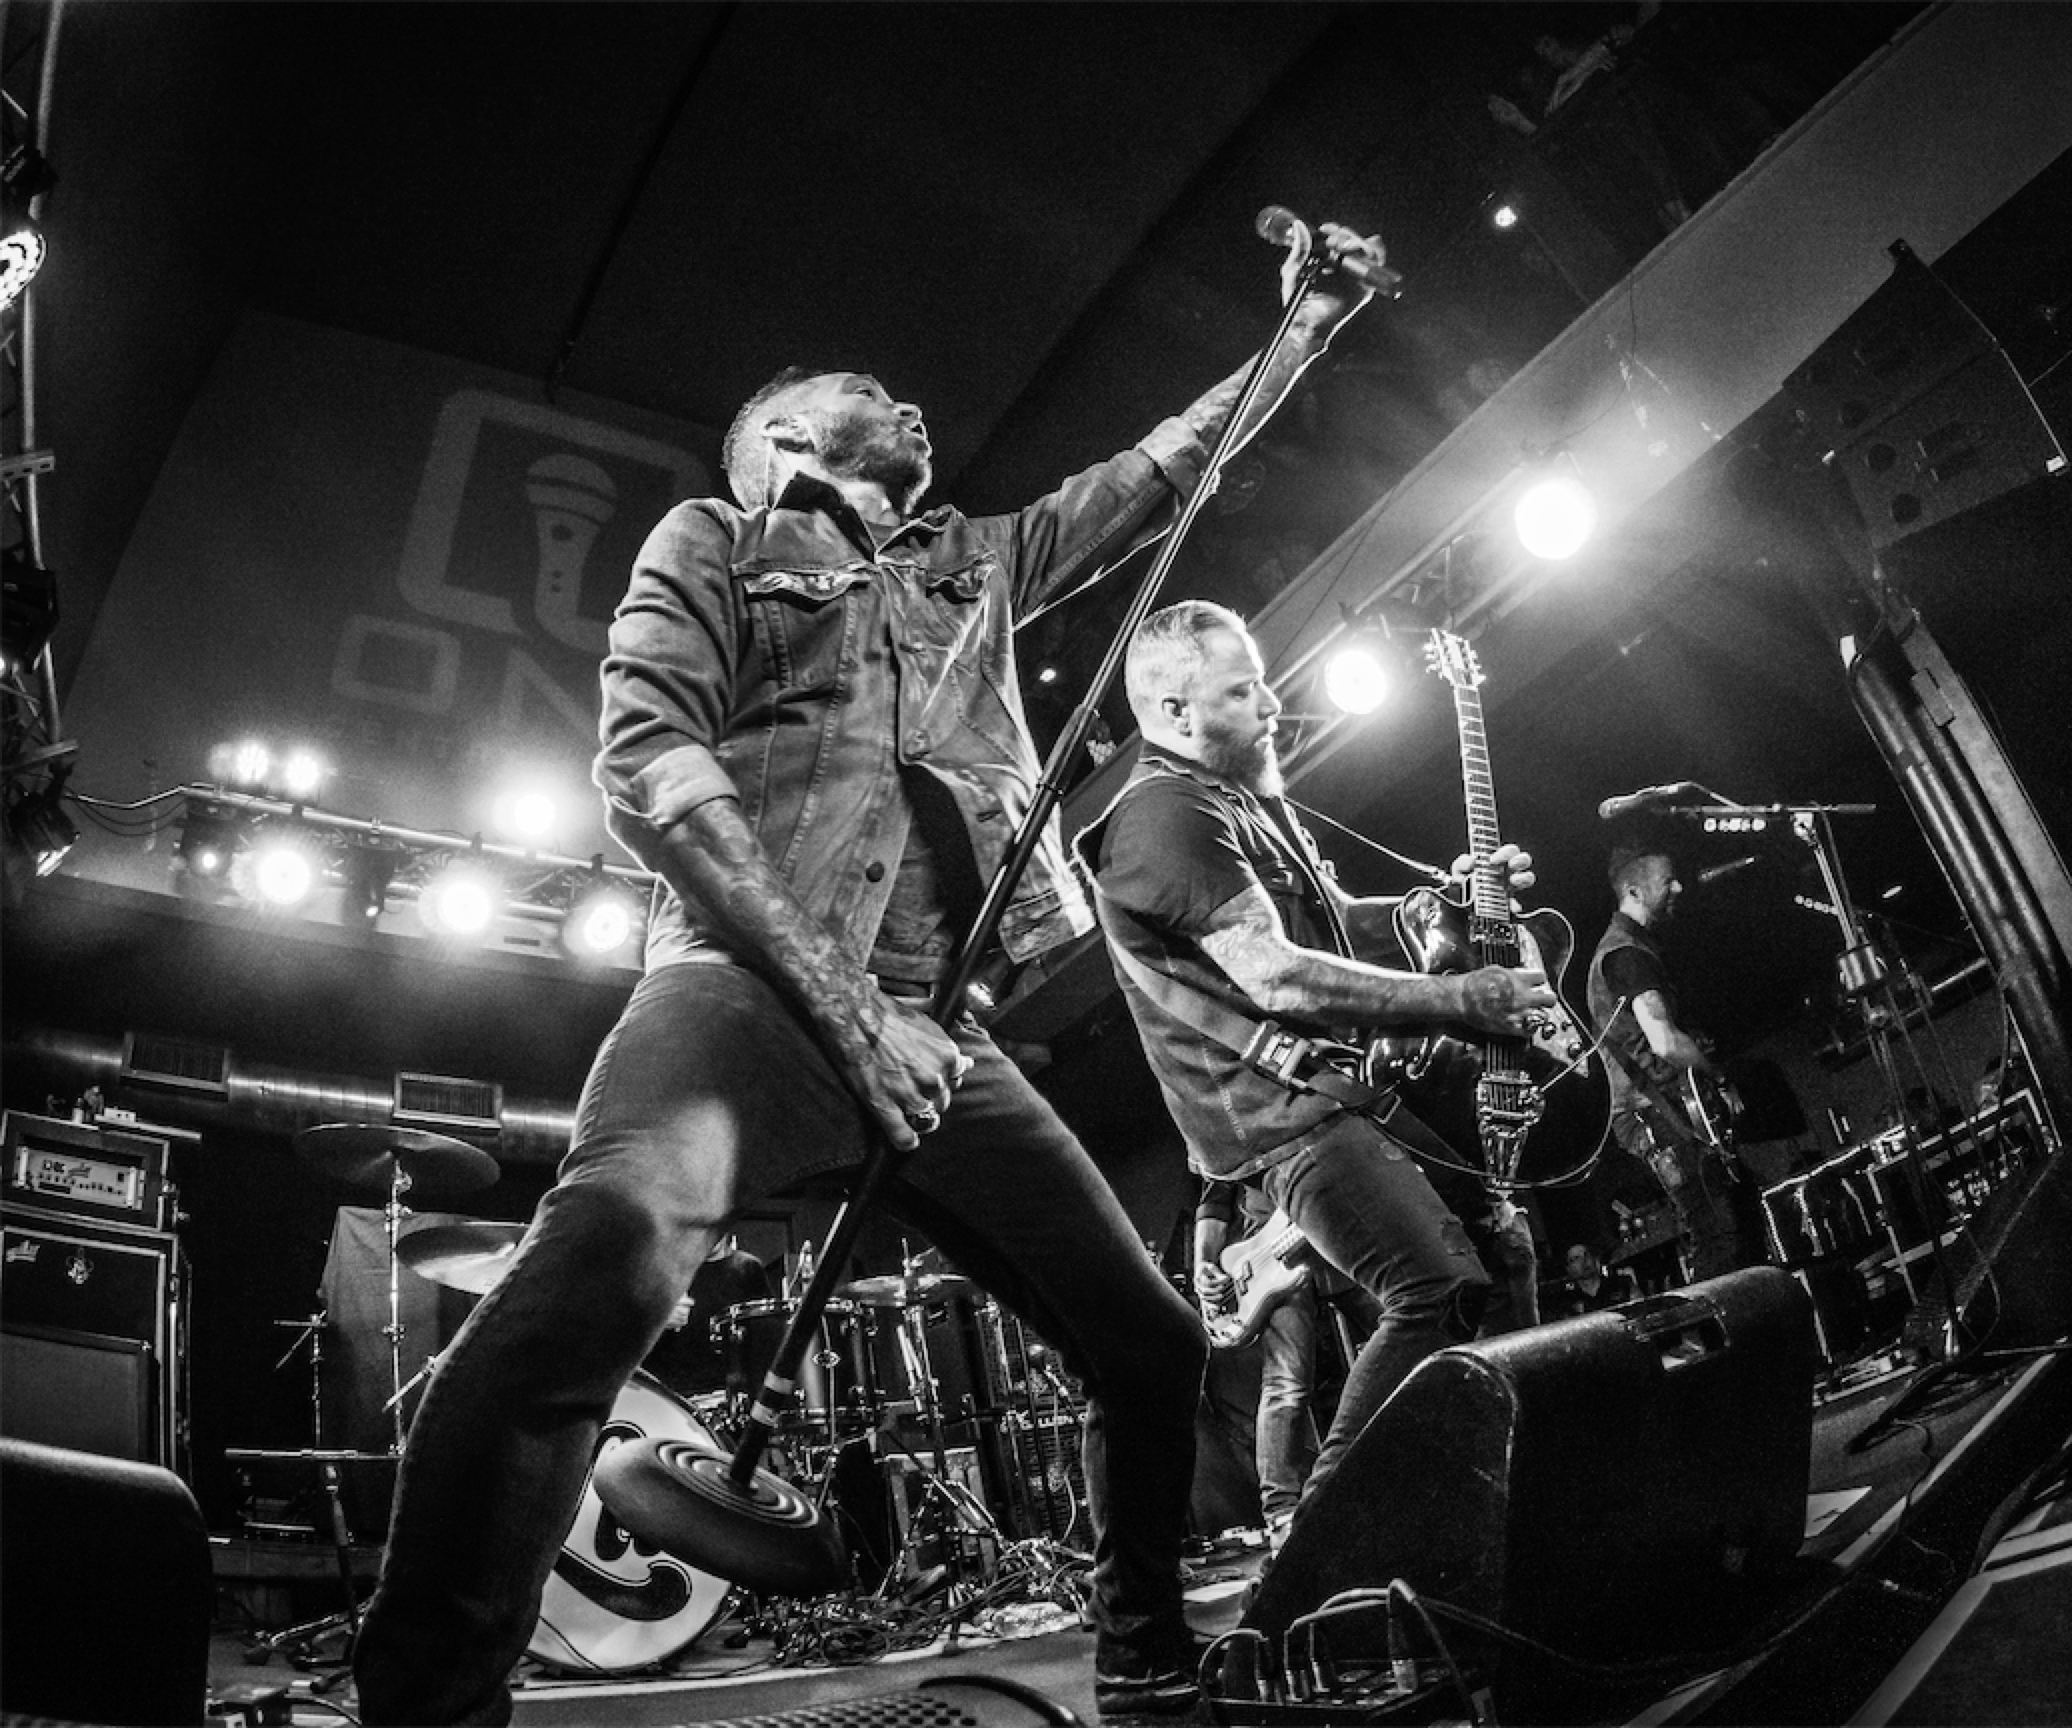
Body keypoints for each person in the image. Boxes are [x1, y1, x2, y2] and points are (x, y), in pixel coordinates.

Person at [350, 225, 1391, 1725]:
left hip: (940, 1029)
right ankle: (427, 1710)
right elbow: (648, 767)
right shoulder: (713, 542)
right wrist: (846, 1013)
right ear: (784, 440)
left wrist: (1306, 328)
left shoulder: (976, 564)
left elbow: (1163, 469)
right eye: (865, 392)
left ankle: (1145, 1652)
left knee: (1154, 1343)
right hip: (746, 990)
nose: (908, 403)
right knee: (599, 1264)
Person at [1075, 600, 1556, 1516]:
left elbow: (1338, 928)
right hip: (1281, 1116)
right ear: (1175, 712)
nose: (1271, 703)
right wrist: (1460, 998)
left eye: (1261, 681)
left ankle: (1505, 1491)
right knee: (1434, 1288)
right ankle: (1319, 1532)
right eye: (1241, 690)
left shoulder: (1247, 802)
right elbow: (1280, 975)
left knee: (1503, 1249)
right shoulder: (1165, 816)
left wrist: (1439, 906)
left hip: (1339, 1095)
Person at [1584, 846, 1763, 1284]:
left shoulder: (1626, 948)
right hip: (1653, 1110)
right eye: (1667, 880)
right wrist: (1718, 1075)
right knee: (1718, 1230)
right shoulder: (1626, 954)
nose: (1679, 887)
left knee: (1734, 1214)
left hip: (1654, 1107)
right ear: (1634, 890)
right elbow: (1664, 1042)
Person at [1191, 1177, 1319, 1549]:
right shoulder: (1224, 1140)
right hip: (1272, 1254)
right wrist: (1203, 1266)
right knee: (1287, 1382)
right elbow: (1215, 1200)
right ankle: (1282, 1514)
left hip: (1332, 1233)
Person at [640, 1230, 774, 1413]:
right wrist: (659, 1318)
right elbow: (622, 1337)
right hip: (670, 1401)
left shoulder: (747, 1268)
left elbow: (766, 1341)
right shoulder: (664, 1267)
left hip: (731, 1402)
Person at [1554, 1241, 1636, 1317]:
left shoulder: (1622, 1284)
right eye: (1577, 1258)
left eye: (1586, 1255)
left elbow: (1640, 1310)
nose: (1584, 1261)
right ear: (1569, 1269)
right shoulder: (1567, 1303)